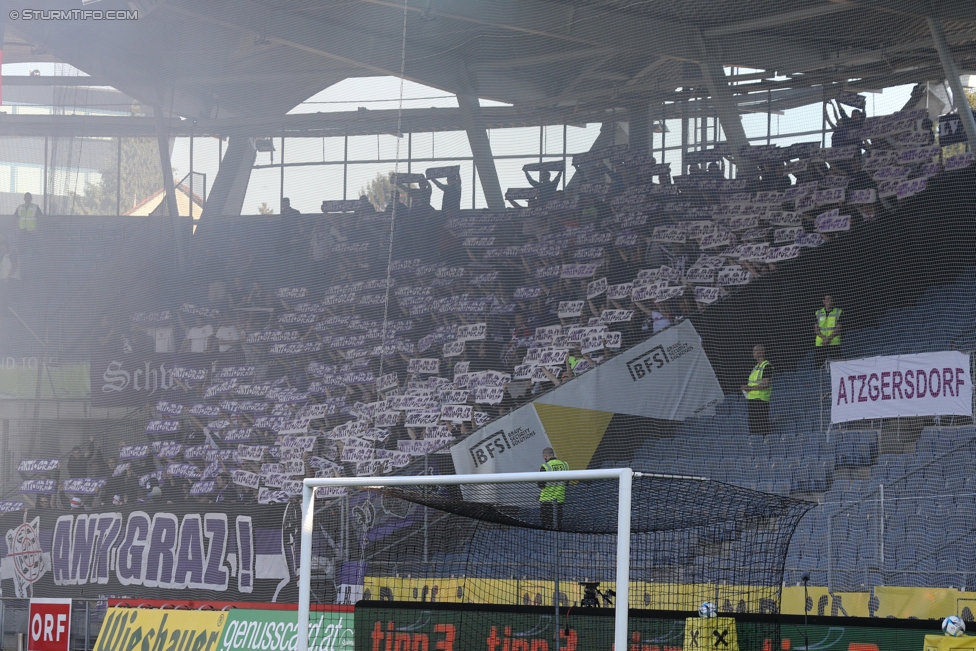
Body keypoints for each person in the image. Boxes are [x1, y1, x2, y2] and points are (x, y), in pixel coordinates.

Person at [741, 344, 773, 436]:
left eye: (756, 351)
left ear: (762, 352)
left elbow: (766, 384)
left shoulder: (766, 366)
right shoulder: (755, 368)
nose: (753, 353)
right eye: (753, 351)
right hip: (751, 400)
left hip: (761, 400)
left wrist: (750, 388)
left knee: (761, 426)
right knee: (753, 427)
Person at [538, 447, 569, 530]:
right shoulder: (565, 465)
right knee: (558, 523)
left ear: (545, 456)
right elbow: (567, 482)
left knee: (547, 524)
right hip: (560, 499)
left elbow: (541, 484)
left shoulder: (545, 466)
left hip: (546, 500)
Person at [814, 295, 843, 367]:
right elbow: (816, 329)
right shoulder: (818, 313)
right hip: (821, 343)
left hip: (834, 343)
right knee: (819, 366)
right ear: (823, 302)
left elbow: (839, 328)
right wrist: (824, 338)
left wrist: (829, 338)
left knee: (837, 365)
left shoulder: (838, 312)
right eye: (827, 300)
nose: (829, 302)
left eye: (831, 299)